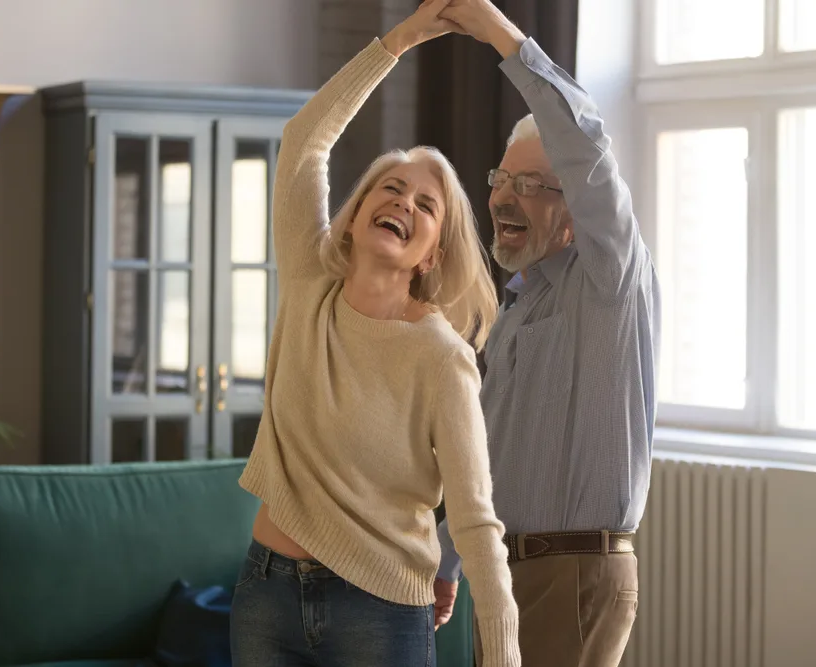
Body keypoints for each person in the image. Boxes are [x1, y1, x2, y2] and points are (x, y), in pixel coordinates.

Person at [229, 2, 522, 666]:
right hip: (265, 592)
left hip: (381, 612)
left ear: (430, 253)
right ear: (355, 214)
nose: (403, 203)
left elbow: (475, 517)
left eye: (425, 205)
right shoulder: (310, 284)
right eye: (390, 189)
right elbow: (304, 140)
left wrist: (502, 650)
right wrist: (402, 38)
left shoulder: (442, 358)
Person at [432, 1, 662, 666]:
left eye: (530, 185)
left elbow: (584, 143)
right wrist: (449, 553)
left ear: (575, 208)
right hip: (507, 575)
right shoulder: (521, 307)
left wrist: (500, 35)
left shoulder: (610, 277)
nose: (503, 198)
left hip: (572, 573)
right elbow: (495, 455)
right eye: (501, 180)